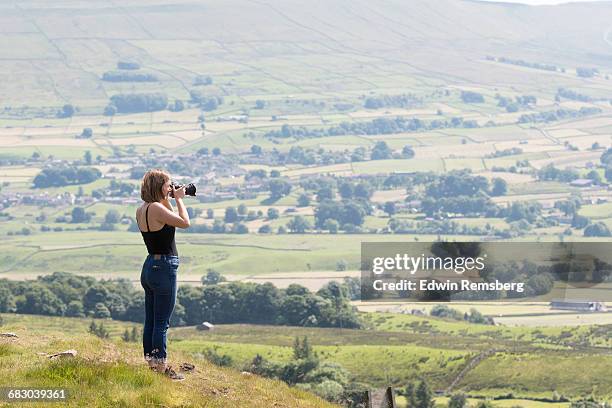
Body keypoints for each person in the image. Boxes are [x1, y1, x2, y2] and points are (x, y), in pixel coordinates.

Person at [136, 169, 190, 380]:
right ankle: (161, 366)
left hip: (150, 266)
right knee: (162, 322)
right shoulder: (158, 208)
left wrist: (169, 197)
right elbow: (184, 222)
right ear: (159, 187)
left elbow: (166, 221)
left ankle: (151, 361)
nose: (170, 188)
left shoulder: (143, 209)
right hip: (165, 267)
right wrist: (180, 201)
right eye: (168, 185)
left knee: (151, 319)